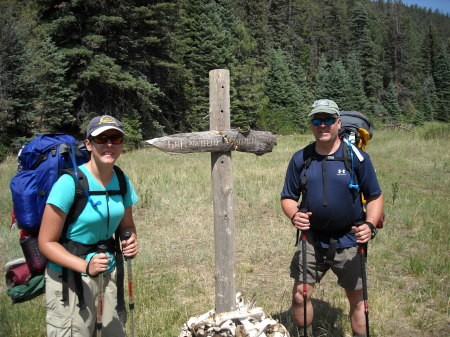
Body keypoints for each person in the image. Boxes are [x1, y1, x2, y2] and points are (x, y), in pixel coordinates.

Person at [280, 99, 384, 337]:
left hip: (349, 238)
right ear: (311, 124)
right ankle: (304, 333)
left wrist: (369, 225)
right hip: (311, 238)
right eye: (317, 120)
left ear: (338, 123)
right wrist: (294, 214)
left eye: (328, 120)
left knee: (356, 298)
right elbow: (287, 196)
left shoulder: (356, 158)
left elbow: (375, 196)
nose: (323, 125)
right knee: (300, 294)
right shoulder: (301, 158)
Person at [38, 115, 139, 337]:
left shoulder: (121, 180)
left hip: (107, 273)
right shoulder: (69, 184)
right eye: (101, 138)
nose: (109, 144)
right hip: (70, 280)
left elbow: (127, 226)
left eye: (116, 138)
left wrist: (129, 240)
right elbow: (46, 243)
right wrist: (86, 266)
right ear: (88, 144)